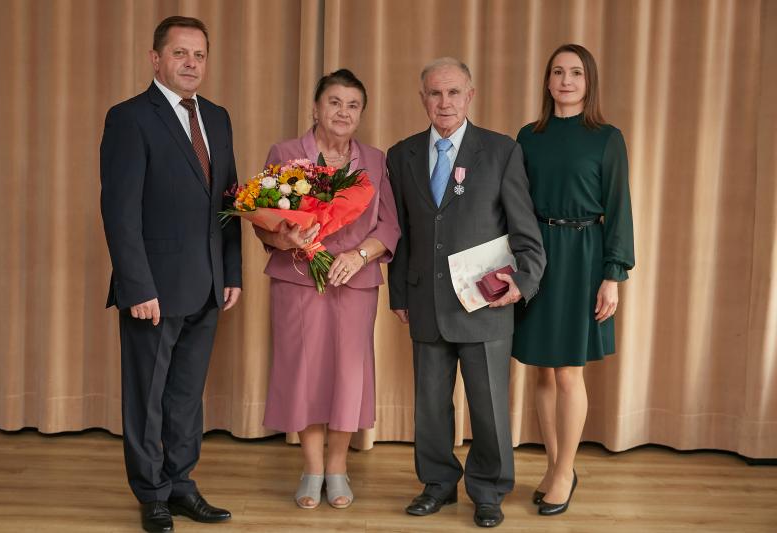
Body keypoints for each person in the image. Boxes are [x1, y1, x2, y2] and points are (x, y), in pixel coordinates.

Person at [387, 58, 546, 528]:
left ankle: (489, 490)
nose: (445, 102)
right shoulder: (402, 155)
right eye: (435, 93)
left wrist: (524, 280)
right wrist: (399, 294)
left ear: (470, 96)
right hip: (426, 302)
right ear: (422, 99)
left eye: (454, 92)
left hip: (485, 304)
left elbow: (525, 231)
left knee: (489, 406)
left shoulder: (500, 151)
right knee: (430, 407)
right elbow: (402, 233)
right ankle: (437, 484)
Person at [100, 16, 242, 533]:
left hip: (208, 284)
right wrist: (137, 285)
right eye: (180, 53)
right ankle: (152, 493)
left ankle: (181, 484)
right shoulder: (130, 118)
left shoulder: (218, 118)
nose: (190, 64)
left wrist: (232, 271)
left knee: (185, 395)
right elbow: (120, 212)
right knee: (147, 397)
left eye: (199, 55)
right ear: (155, 58)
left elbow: (230, 200)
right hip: (153, 290)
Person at [254, 69, 400, 510]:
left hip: (355, 282)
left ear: (362, 114)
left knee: (347, 374)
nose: (343, 112)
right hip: (298, 279)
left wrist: (359, 256)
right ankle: (312, 468)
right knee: (303, 371)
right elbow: (263, 222)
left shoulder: (375, 160)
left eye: (353, 105)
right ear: (316, 108)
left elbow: (389, 226)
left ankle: (337, 467)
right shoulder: (286, 153)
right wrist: (287, 238)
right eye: (334, 102)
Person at [512, 43, 635, 516]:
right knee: (541, 368)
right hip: (536, 256)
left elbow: (619, 208)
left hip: (584, 256)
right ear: (547, 81)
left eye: (576, 73)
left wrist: (612, 275)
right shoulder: (528, 136)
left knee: (568, 371)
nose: (566, 80)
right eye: (558, 72)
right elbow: (515, 204)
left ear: (589, 82)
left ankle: (566, 470)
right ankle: (552, 464)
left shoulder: (606, 137)